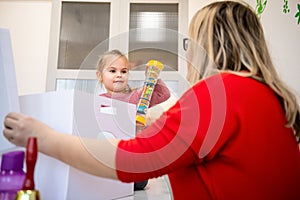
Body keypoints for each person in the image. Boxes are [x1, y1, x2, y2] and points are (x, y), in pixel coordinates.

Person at [3, 1, 300, 199]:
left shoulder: (218, 93)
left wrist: (42, 137)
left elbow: (129, 159)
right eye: (112, 71)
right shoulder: (270, 96)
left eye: (190, 42)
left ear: (206, 44)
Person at [95, 49, 171, 190]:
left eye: (124, 71)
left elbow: (164, 93)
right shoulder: (96, 102)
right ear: (100, 76)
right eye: (112, 71)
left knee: (137, 180)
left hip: (133, 162)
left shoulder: (137, 97)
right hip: (109, 158)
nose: (119, 75)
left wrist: (152, 77)